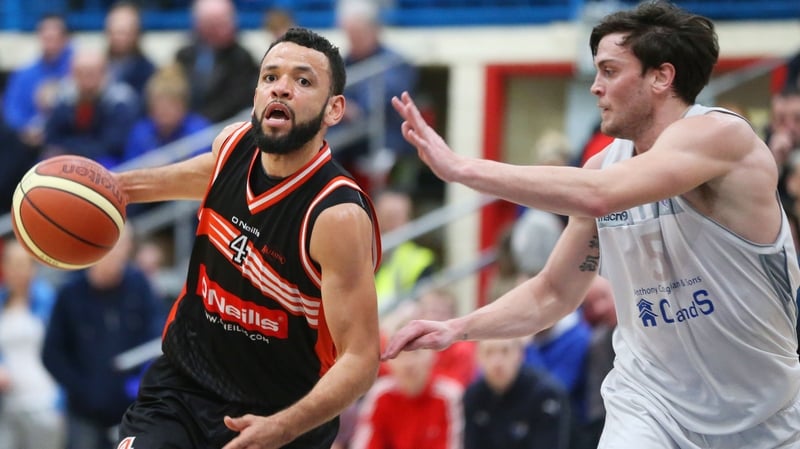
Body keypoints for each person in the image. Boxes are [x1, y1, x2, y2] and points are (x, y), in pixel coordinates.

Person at [383, 2, 800, 448]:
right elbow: (553, 292)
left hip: (763, 417)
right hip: (650, 405)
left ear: (661, 76)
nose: (596, 87)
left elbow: (599, 193)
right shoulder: (603, 166)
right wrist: (458, 328)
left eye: (609, 70)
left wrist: (463, 169)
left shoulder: (721, 136)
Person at [112, 27, 382, 449]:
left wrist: (284, 427)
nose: (282, 89)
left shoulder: (337, 216)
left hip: (281, 414)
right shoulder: (233, 147)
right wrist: (112, 187)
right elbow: (191, 177)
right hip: (183, 389)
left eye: (303, 80)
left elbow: (362, 360)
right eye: (270, 77)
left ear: (334, 110)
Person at [42, 225, 164, 449]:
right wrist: (83, 390)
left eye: (123, 245)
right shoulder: (70, 295)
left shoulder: (140, 286)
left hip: (133, 410)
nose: (117, 253)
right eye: (112, 246)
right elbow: (52, 354)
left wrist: (141, 382)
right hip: (84, 413)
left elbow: (157, 338)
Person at [0, 240, 64, 449]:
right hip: (9, 404)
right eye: (11, 263)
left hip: (44, 403)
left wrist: (61, 402)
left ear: (32, 268)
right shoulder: (1, 302)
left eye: (22, 264)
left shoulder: (48, 300)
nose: (17, 271)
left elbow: (62, 350)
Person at [463, 337, 571, 449]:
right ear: (478, 357)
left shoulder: (544, 394)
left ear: (520, 355)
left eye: (505, 351)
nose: (497, 362)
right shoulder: (473, 395)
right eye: (489, 352)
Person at [43, 46, 140, 167]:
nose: (86, 79)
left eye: (91, 73)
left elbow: (113, 144)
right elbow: (51, 137)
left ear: (104, 73)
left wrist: (71, 149)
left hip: (109, 163)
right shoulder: (64, 98)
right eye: (80, 73)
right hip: (68, 159)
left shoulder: (119, 101)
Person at [175, 0, 259, 123]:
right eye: (217, 24)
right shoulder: (184, 55)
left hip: (223, 127)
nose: (227, 29)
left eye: (228, 22)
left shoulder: (242, 58)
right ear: (200, 26)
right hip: (186, 127)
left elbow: (236, 100)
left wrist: (202, 121)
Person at [104, 1, 156, 99]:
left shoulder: (150, 73)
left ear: (138, 33)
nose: (120, 37)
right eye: (116, 31)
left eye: (126, 32)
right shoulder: (96, 70)